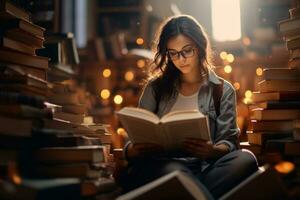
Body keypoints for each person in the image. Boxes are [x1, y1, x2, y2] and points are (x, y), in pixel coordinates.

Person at [118, 15, 258, 199]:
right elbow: (134, 138)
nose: (180, 59)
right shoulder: (155, 89)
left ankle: (187, 191)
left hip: (206, 168)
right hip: (164, 166)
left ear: (200, 47)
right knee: (174, 170)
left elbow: (229, 142)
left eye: (187, 51)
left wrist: (212, 151)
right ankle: (193, 190)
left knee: (246, 159)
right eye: (173, 53)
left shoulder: (222, 90)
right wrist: (133, 150)